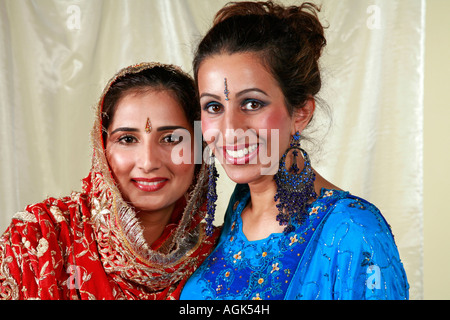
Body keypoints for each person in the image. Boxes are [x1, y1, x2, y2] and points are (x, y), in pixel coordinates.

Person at [180, 1, 409, 300]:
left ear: (300, 112)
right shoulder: (237, 212)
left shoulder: (354, 232)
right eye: (213, 106)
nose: (229, 129)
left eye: (252, 103)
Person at [0, 62, 219, 300]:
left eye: (171, 138)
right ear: (102, 148)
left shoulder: (221, 255)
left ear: (200, 147)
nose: (148, 162)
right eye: (127, 139)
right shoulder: (38, 240)